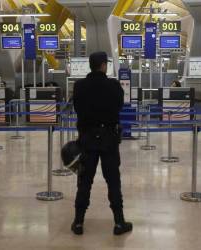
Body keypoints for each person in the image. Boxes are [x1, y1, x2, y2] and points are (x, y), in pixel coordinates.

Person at [72, 52, 132, 236]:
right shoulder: (113, 86)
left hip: (87, 140)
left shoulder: (79, 86)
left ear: (90, 65)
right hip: (109, 140)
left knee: (84, 181)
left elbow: (77, 108)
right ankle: (119, 222)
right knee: (113, 181)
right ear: (104, 65)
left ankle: (78, 222)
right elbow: (120, 105)